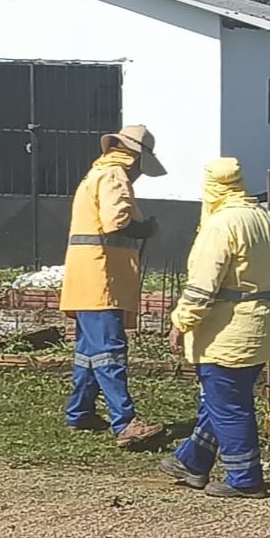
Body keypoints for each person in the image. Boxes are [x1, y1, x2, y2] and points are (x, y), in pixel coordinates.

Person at [160, 158, 270, 498]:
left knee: (229, 405)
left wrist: (181, 322)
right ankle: (192, 461)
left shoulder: (221, 225)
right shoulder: (264, 218)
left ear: (211, 188)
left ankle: (244, 478)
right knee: (223, 399)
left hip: (227, 330)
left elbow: (202, 287)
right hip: (262, 324)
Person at [59, 124, 167, 449]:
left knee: (88, 353)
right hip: (101, 277)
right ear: (136, 157)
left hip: (87, 277)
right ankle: (125, 423)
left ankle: (80, 413)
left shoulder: (97, 172)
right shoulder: (115, 175)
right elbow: (116, 221)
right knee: (109, 352)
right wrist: (145, 228)